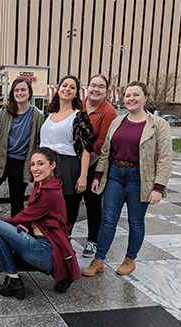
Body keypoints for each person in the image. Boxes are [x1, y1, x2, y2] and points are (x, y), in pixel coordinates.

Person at [82, 81, 172, 277]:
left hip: (139, 178)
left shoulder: (158, 125)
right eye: (128, 95)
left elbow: (164, 158)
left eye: (136, 95)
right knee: (108, 220)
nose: (131, 99)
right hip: (115, 174)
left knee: (135, 221)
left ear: (145, 98)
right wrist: (98, 175)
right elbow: (106, 151)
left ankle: (130, 258)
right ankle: (99, 260)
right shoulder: (118, 122)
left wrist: (158, 187)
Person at [0, 147, 81, 300]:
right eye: (32, 164)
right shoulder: (50, 183)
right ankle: (59, 274)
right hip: (52, 248)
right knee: (2, 232)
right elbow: (31, 217)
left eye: (40, 164)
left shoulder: (48, 192)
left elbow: (21, 218)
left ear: (52, 165)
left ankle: (13, 281)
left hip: (44, 252)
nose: (35, 169)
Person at [0, 78, 44, 251]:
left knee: (17, 202)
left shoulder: (37, 114)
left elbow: (39, 141)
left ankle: (14, 238)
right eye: (16, 90)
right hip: (0, 160)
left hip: (21, 163)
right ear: (13, 93)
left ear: (29, 93)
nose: (20, 93)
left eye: (23, 90)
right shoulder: (5, 111)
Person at [40, 75, 95, 236]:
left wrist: (83, 176)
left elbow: (86, 148)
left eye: (72, 87)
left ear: (76, 93)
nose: (67, 89)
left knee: (65, 215)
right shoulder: (48, 115)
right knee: (45, 213)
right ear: (58, 89)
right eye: (64, 85)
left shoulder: (79, 116)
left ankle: (64, 250)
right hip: (46, 169)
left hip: (68, 168)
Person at [78, 74, 117, 257]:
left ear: (106, 91)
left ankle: (93, 240)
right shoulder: (78, 104)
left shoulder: (108, 112)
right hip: (72, 162)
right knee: (70, 201)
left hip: (94, 163)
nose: (96, 89)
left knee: (93, 203)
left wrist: (84, 168)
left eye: (100, 87)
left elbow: (101, 143)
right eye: (93, 85)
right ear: (87, 87)